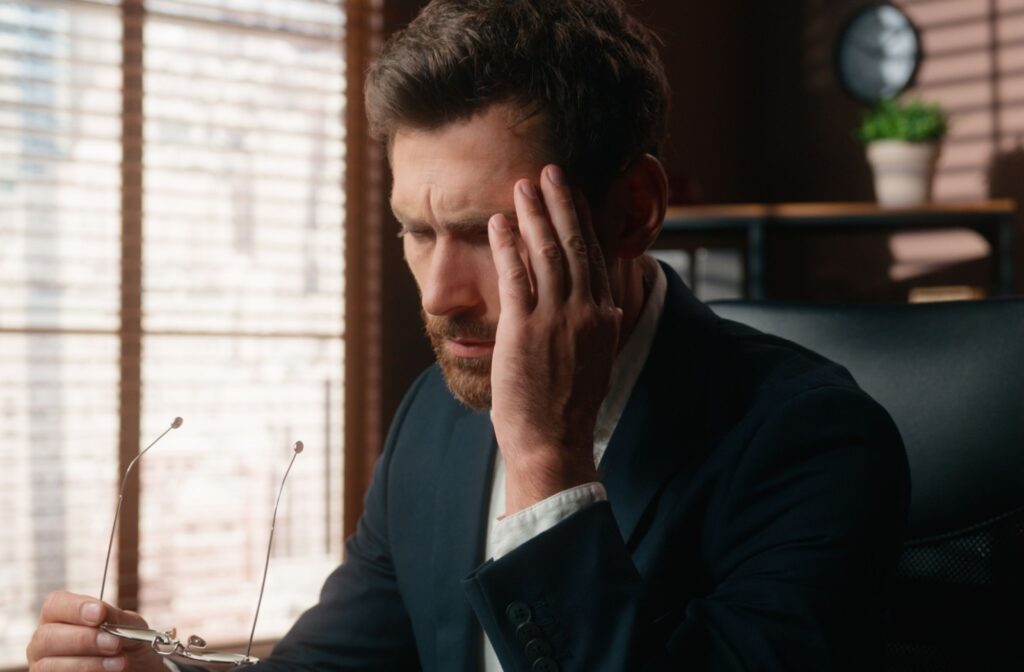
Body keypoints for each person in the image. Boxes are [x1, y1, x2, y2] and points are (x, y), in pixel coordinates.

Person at [26, 1, 910, 670]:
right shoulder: (437, 417)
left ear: (633, 212)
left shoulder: (814, 441)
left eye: (489, 233)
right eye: (416, 231)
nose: (443, 295)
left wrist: (545, 457)